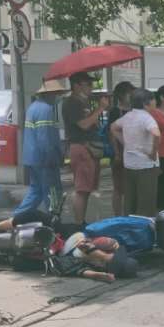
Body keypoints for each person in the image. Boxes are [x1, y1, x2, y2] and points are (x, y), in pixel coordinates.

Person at [14, 77, 67, 217]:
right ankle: (54, 221)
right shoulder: (46, 109)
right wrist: (54, 158)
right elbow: (45, 139)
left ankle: (16, 218)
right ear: (50, 94)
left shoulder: (33, 107)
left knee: (35, 191)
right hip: (45, 160)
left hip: (33, 158)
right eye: (58, 94)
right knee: (53, 193)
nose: (59, 97)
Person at [62, 73, 106, 227]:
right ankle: (79, 223)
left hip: (89, 147)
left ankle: (82, 221)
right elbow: (84, 125)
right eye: (88, 84)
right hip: (81, 147)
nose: (91, 88)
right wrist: (100, 109)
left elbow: (91, 123)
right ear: (77, 85)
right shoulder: (72, 102)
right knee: (82, 188)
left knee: (87, 188)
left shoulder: (84, 102)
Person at [110, 89, 160, 216]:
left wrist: (125, 143)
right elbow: (156, 134)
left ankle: (130, 225)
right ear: (145, 103)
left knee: (130, 202)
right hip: (146, 165)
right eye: (153, 99)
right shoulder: (147, 118)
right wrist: (153, 153)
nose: (155, 102)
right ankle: (144, 227)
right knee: (146, 204)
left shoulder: (128, 116)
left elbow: (113, 127)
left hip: (130, 164)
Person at [105, 81, 135, 216]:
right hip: (120, 151)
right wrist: (116, 153)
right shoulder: (115, 111)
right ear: (122, 95)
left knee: (131, 187)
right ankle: (117, 215)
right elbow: (111, 134)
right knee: (118, 187)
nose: (132, 96)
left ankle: (129, 214)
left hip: (133, 151)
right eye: (130, 93)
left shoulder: (135, 110)